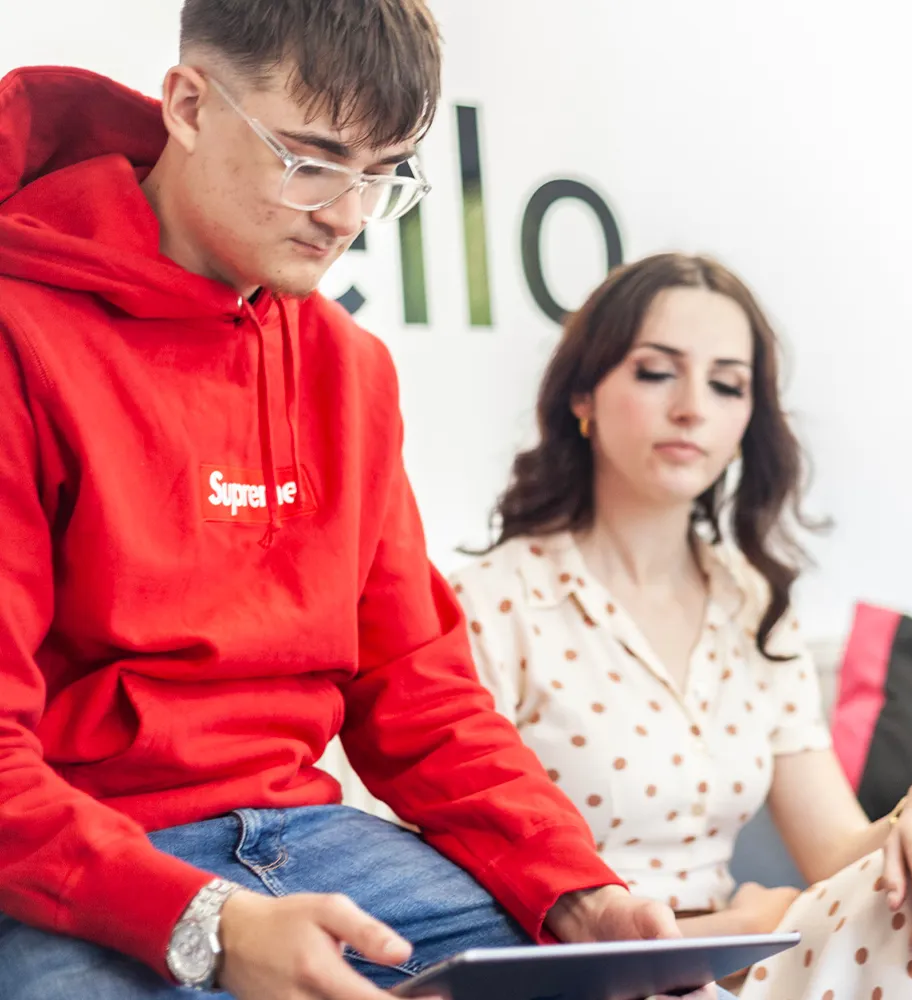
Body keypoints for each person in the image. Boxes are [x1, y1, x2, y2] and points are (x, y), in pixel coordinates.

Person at [0, 4, 714, 998]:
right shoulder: (20, 333)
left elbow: (421, 693)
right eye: (311, 159)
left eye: (382, 174)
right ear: (190, 106)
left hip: (315, 843)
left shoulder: (350, 369)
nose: (345, 214)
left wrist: (575, 892)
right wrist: (207, 925)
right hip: (84, 857)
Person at [448, 252, 912, 999]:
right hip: (586, 978)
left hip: (734, 969)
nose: (693, 407)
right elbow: (464, 912)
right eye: (657, 372)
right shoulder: (488, 604)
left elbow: (839, 852)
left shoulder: (753, 604)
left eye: (727, 385)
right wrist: (736, 926)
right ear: (582, 394)